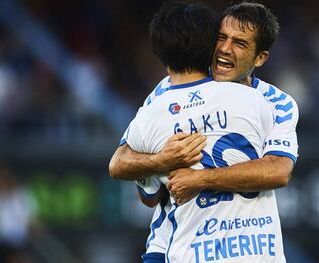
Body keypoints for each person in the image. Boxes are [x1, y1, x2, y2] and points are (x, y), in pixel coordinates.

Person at [109, 1, 298, 262]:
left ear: (260, 57)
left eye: (240, 43)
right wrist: (161, 161)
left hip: (245, 248)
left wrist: (199, 179)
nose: (224, 49)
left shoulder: (276, 103)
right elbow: (122, 163)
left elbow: (278, 170)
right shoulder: (169, 90)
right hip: (171, 242)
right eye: (221, 38)